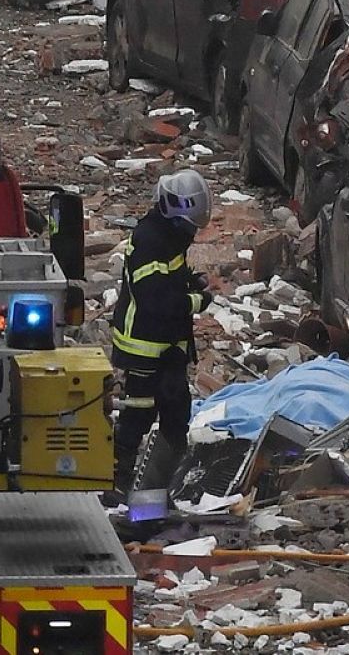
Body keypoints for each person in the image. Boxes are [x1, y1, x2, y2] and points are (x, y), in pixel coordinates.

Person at [108, 169, 215, 501]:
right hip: (143, 343)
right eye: (188, 225)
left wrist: (188, 279)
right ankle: (119, 477)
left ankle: (171, 477)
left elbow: (170, 277)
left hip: (167, 345)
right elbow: (155, 298)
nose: (191, 233)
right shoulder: (149, 240)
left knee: (176, 410)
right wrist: (197, 300)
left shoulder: (169, 236)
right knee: (138, 413)